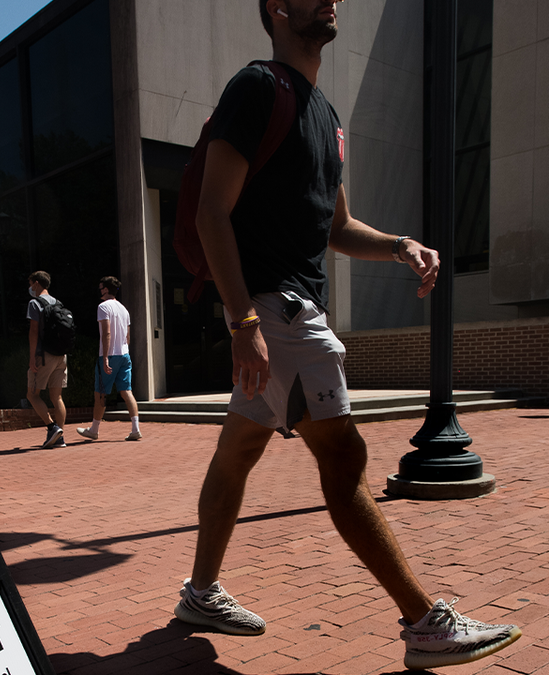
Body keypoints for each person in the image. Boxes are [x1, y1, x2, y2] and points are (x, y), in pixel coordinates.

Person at [172, 1, 521, 670]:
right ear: (276, 9)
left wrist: (398, 245)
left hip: (285, 314)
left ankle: (201, 590)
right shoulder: (256, 87)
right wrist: (244, 319)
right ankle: (426, 623)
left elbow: (336, 227)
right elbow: (214, 210)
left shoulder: (326, 117)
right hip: (281, 314)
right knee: (345, 461)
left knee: (237, 453)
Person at [76, 276, 141, 442]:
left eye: (101, 288)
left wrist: (105, 358)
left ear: (106, 289)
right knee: (127, 391)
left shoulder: (103, 307)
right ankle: (135, 429)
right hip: (124, 354)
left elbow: (106, 333)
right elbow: (127, 336)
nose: (100, 291)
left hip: (110, 354)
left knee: (100, 393)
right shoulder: (124, 309)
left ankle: (94, 430)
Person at [26, 271, 68, 449]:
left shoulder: (34, 303)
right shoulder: (58, 303)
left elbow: (34, 331)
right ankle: (60, 438)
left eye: (30, 284)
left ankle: (52, 428)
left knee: (32, 394)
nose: (30, 288)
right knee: (56, 396)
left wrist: (32, 356)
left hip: (44, 354)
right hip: (62, 355)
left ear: (36, 283)